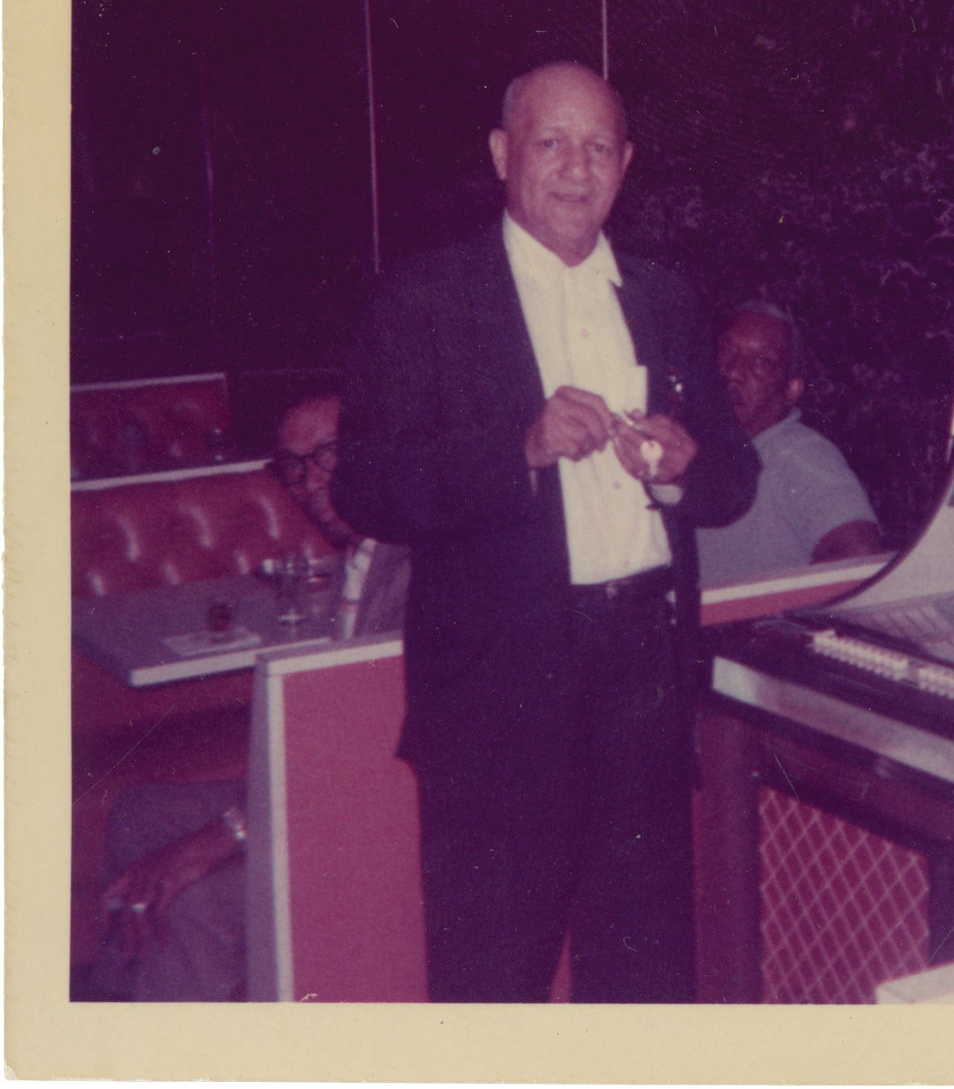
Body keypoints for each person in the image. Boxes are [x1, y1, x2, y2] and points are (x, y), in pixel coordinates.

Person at [330, 60, 759, 1004]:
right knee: (492, 983)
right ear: (502, 154)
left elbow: (734, 479)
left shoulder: (664, 297)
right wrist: (517, 449)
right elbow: (363, 483)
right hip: (498, 695)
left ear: (626, 165)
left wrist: (683, 469)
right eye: (551, 142)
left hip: (645, 677)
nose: (575, 167)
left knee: (643, 979)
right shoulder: (425, 300)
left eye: (598, 147)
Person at [90, 392, 410, 1001]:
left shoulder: (418, 567)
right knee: (137, 811)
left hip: (377, 819)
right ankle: (125, 997)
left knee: (192, 894)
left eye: (329, 454)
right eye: (292, 466)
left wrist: (218, 839)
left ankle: (183, 1028)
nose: (308, 483)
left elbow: (370, 759)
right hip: (332, 789)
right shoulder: (362, 555)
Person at [695, 302, 880, 586]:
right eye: (726, 352)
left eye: (762, 362)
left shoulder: (798, 453)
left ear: (791, 390)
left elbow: (859, 553)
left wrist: (770, 612)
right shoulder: (695, 449)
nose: (733, 372)